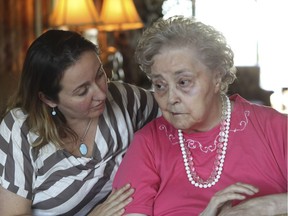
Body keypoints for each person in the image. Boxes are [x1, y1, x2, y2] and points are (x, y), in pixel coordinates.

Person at [113, 15, 287, 215]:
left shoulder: (276, 129)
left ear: (217, 78)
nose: (171, 98)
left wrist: (270, 206)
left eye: (183, 82)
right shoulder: (148, 143)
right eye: (160, 85)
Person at [0, 29, 159, 216]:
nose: (101, 94)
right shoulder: (20, 130)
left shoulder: (122, 99)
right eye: (82, 91)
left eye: (100, 74)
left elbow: (178, 110)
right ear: (49, 99)